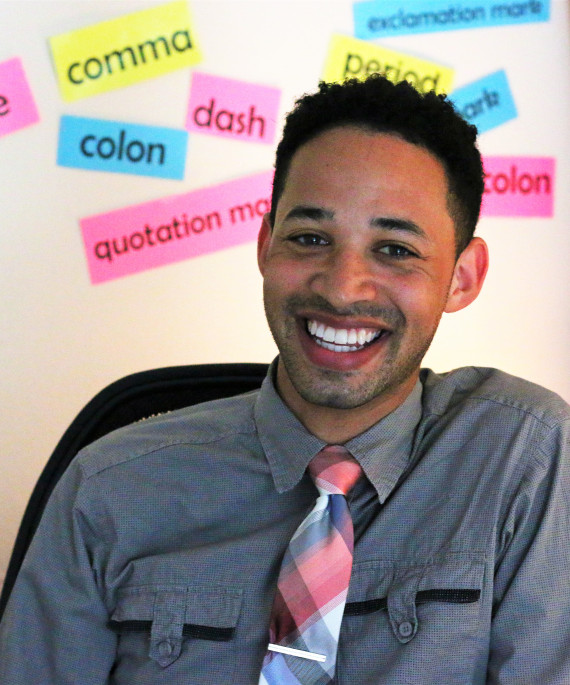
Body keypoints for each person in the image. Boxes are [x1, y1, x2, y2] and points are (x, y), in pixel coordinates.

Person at [1, 74, 569, 684]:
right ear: (266, 247)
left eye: (396, 250)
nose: (342, 287)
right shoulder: (106, 490)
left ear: (462, 276)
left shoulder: (522, 457)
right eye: (309, 238)